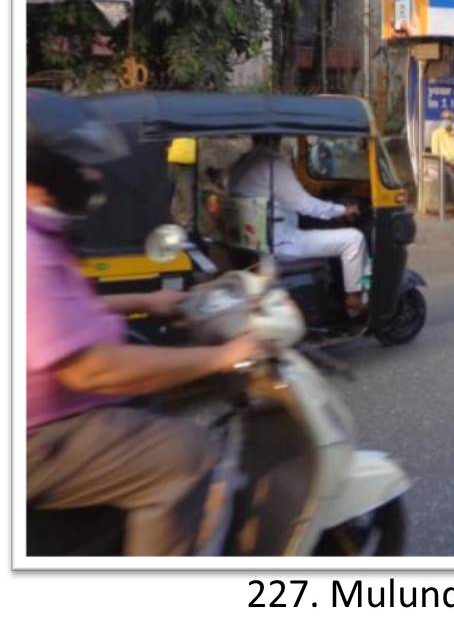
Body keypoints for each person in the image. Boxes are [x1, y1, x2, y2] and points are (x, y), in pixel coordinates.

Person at [26, 90, 263, 556]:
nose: (92, 174)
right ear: (42, 166)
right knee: (187, 455)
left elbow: (58, 310)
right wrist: (221, 357)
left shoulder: (37, 229)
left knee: (152, 401)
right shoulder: (28, 249)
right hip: (38, 437)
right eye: (79, 163)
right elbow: (89, 368)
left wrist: (145, 300)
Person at [228, 135, 366, 317]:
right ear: (277, 138)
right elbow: (305, 205)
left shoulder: (242, 163)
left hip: (254, 242)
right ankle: (354, 301)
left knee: (323, 229)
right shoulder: (273, 165)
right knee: (354, 239)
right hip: (281, 243)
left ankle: (334, 292)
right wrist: (342, 210)